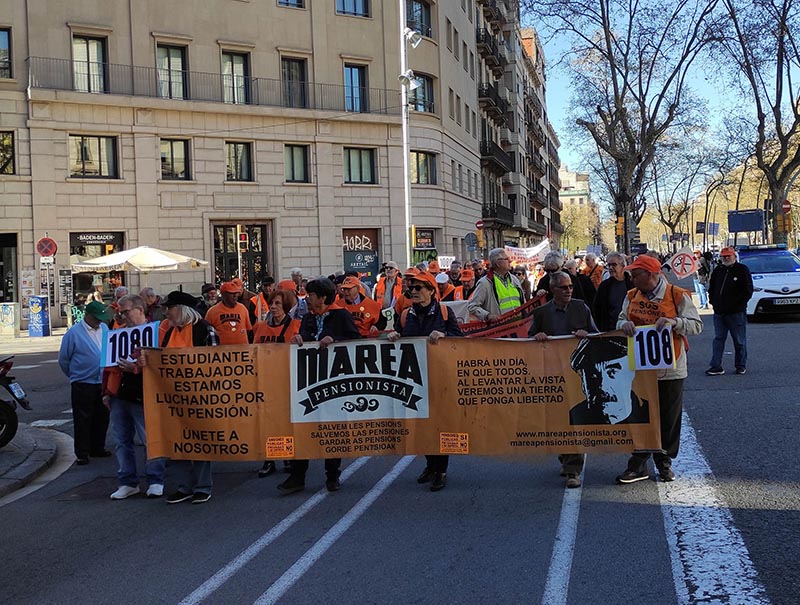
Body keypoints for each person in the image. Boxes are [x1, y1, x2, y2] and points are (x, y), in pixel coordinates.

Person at [616, 254, 702, 483]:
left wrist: (676, 323)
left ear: (652, 275)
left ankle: (664, 462)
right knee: (640, 414)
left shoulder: (676, 295)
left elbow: (696, 325)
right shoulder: (631, 295)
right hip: (640, 368)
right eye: (632, 274)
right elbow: (620, 319)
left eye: (636, 274)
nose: (632, 278)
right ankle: (638, 463)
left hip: (671, 368)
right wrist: (623, 325)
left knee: (668, 418)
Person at [278, 278, 361, 495]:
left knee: (332, 427)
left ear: (323, 297)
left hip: (334, 378)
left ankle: (332, 475)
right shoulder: (307, 318)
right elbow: (305, 338)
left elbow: (356, 339)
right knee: (302, 426)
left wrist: (335, 338)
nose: (307, 299)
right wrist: (298, 338)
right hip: (308, 378)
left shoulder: (341, 314)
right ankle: (297, 476)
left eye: (311, 295)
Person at [387, 271, 463, 491]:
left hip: (440, 377)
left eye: (419, 288)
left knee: (440, 424)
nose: (413, 292)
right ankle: (430, 465)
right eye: (411, 288)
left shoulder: (444, 312)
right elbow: (398, 336)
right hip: (414, 379)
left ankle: (441, 470)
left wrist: (444, 336)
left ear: (431, 290)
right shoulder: (405, 314)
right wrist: (393, 336)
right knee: (423, 425)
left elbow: (460, 340)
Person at [529, 271, 598, 488]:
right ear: (552, 290)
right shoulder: (541, 313)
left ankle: (573, 469)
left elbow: (596, 334)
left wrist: (586, 334)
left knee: (574, 420)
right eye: (563, 287)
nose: (569, 290)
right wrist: (537, 338)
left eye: (570, 287)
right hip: (552, 375)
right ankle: (565, 456)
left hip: (577, 374)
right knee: (558, 420)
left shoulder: (581, 307)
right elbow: (528, 341)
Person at [103, 294, 167, 499]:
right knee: (121, 440)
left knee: (150, 438)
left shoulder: (157, 332)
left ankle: (156, 479)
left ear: (140, 310)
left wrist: (136, 369)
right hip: (119, 393)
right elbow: (106, 366)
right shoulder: (116, 333)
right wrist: (105, 392)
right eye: (119, 312)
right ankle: (128, 481)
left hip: (145, 393)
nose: (121, 316)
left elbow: (163, 364)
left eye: (125, 311)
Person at [159, 291, 220, 504]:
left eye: (170, 308)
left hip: (200, 397)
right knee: (178, 443)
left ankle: (203, 486)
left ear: (182, 310)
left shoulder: (204, 329)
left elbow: (216, 363)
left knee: (201, 443)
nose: (166, 312)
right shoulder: (170, 332)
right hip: (175, 398)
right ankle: (184, 486)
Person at [252, 288, 302, 478]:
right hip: (266, 379)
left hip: (288, 380)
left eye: (278, 304)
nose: (273, 307)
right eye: (271, 303)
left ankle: (288, 455)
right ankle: (269, 458)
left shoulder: (296, 326)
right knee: (267, 420)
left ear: (287, 307)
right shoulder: (260, 327)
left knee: (286, 420)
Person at [58, 300, 114, 465]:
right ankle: (82, 452)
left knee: (102, 416)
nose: (99, 321)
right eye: (96, 318)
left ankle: (98, 447)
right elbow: (64, 359)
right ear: (87, 315)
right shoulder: (73, 333)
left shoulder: (104, 328)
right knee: (83, 418)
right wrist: (75, 375)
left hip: (102, 381)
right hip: (83, 382)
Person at [568, 336, 649, 425]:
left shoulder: (650, 413)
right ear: (583, 383)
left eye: (612, 372)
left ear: (631, 374)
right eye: (592, 375)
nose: (603, 386)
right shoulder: (575, 417)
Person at [706, 247, 753, 376]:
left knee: (739, 340)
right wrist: (713, 301)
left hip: (736, 313)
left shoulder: (742, 270)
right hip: (719, 312)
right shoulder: (718, 270)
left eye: (728, 256)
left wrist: (738, 305)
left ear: (734, 256)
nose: (726, 258)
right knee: (718, 339)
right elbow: (712, 287)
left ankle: (740, 365)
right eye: (724, 256)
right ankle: (716, 365)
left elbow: (748, 290)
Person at [468, 247, 524, 322]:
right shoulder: (484, 283)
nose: (510, 261)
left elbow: (523, 303)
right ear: (498, 263)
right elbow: (472, 307)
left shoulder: (515, 280)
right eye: (506, 259)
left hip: (518, 326)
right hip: (500, 329)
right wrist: (487, 315)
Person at [592, 252, 633, 331]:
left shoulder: (632, 284)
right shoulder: (604, 287)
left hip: (630, 330)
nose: (610, 268)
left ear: (623, 266)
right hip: (610, 332)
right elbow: (596, 309)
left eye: (614, 265)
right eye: (609, 265)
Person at [204, 280, 253, 345]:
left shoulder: (243, 309)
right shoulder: (212, 311)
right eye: (232, 293)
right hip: (222, 352)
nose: (235, 295)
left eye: (236, 293)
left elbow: (249, 330)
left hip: (242, 351)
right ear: (224, 295)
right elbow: (206, 333)